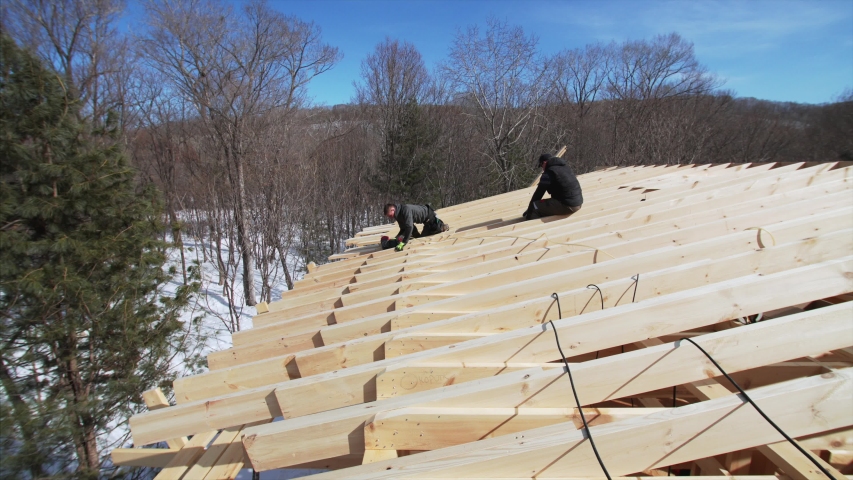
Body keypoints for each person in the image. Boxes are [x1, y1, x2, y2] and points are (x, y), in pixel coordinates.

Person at [523, 153, 583, 220]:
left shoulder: (549, 173)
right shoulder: (564, 167)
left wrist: (529, 210)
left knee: (535, 206)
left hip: (568, 205)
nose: (542, 168)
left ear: (544, 162)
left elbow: (538, 193)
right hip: (578, 202)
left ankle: (534, 227)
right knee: (545, 205)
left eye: (541, 165)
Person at [384, 203, 449, 251]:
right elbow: (403, 228)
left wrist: (404, 242)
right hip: (425, 222)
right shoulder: (397, 215)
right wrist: (397, 237)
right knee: (419, 237)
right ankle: (418, 235)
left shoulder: (405, 209)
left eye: (390, 215)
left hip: (430, 217)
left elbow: (409, 227)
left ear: (393, 210)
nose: (390, 217)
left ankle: (442, 226)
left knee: (427, 237)